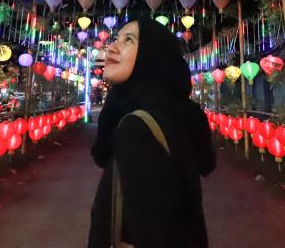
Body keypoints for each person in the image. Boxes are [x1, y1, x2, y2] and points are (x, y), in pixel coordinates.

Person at [88, 16, 216, 248]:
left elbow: (152, 234)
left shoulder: (138, 128)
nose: (112, 47)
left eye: (129, 40)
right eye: (116, 38)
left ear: (152, 56)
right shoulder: (172, 115)